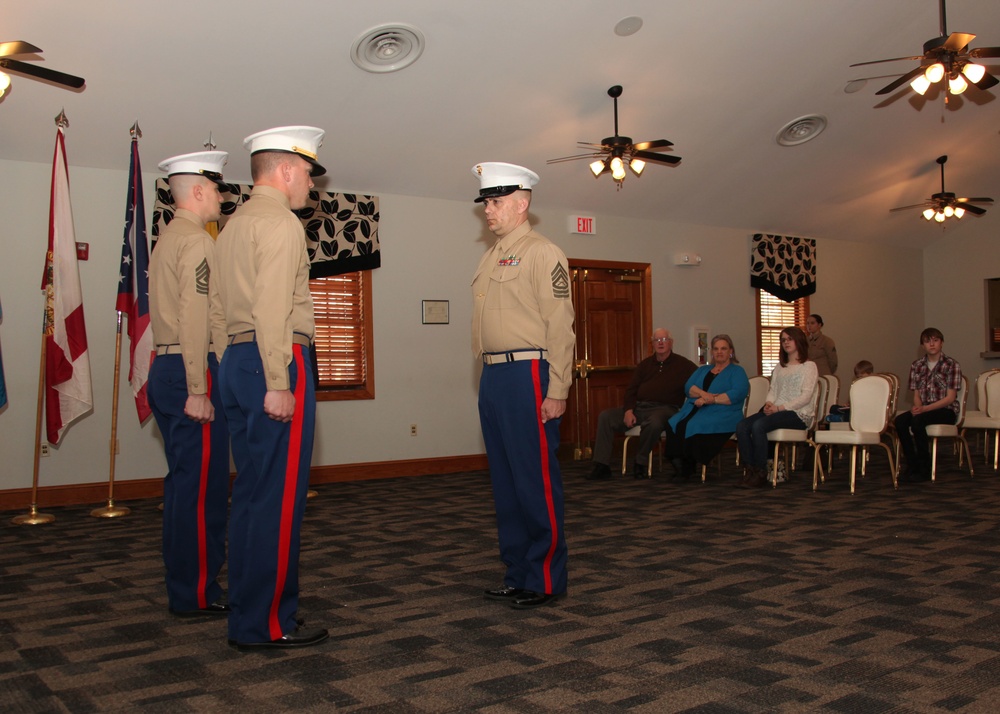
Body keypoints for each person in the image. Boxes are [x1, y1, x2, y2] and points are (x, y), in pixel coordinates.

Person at [213, 126, 328, 650]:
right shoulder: (280, 223)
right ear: (285, 170)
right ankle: (266, 624)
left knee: (253, 496)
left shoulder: (232, 226)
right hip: (274, 359)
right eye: (307, 171)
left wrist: (227, 366)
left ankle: (256, 612)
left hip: (239, 359)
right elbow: (274, 307)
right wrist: (279, 380)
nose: (310, 182)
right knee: (278, 500)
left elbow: (218, 310)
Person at [471, 162, 575, 610]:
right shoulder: (492, 254)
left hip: (530, 374)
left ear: (521, 202)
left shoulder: (542, 252)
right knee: (506, 483)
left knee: (533, 480)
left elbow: (561, 328)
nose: (488, 211)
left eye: (495, 202)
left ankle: (546, 578)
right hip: (494, 375)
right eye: (486, 203)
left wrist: (558, 390)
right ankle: (518, 573)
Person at [148, 150, 231, 618]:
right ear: (198, 191)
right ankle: (196, 594)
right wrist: (199, 389)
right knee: (202, 490)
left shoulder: (167, 239)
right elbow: (196, 317)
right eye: (216, 188)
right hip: (189, 371)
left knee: (184, 486)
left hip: (168, 368)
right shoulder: (197, 243)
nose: (220, 196)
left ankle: (184, 587)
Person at [588, 329, 697, 480]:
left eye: (664, 339)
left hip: (666, 409)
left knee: (654, 422)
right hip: (639, 408)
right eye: (657, 340)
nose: (660, 342)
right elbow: (631, 390)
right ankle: (601, 465)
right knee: (606, 416)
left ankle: (640, 462)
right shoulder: (645, 365)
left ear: (671, 342)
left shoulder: (684, 365)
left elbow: (702, 379)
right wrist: (628, 410)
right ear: (652, 344)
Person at [735, 326, 818, 488]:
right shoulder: (780, 367)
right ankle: (750, 469)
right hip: (777, 410)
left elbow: (806, 397)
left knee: (759, 426)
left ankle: (761, 471)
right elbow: (773, 390)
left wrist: (780, 408)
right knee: (742, 426)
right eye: (783, 340)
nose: (786, 343)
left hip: (798, 413)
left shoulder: (809, 366)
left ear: (798, 340)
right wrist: (769, 403)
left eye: (789, 339)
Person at [663, 335, 749, 481]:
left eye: (723, 348)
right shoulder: (703, 370)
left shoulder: (737, 371)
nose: (719, 352)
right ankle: (680, 465)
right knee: (673, 422)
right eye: (716, 349)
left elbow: (737, 394)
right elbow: (689, 388)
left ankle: (689, 465)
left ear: (731, 352)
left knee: (695, 425)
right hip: (694, 409)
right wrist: (704, 395)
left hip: (723, 413)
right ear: (712, 352)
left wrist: (712, 400)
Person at [895, 328, 962, 483]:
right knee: (900, 421)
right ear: (922, 345)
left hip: (945, 410)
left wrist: (924, 410)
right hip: (924, 408)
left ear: (942, 343)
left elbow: (950, 398)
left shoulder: (951, 364)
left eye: (935, 340)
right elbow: (917, 395)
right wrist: (919, 407)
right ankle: (912, 464)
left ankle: (925, 467)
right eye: (927, 341)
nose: (932, 344)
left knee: (918, 421)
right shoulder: (917, 365)